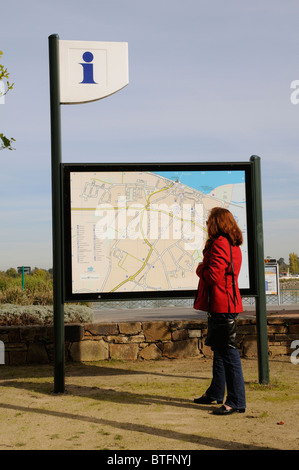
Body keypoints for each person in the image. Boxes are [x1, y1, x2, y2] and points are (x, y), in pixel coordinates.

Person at [193, 207, 246, 415]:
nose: (207, 224)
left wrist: (199, 268)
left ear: (217, 222)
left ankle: (236, 401)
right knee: (220, 350)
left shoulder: (221, 243)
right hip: (225, 304)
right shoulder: (230, 243)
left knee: (228, 352)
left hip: (223, 305)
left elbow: (213, 276)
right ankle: (215, 393)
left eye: (209, 220)